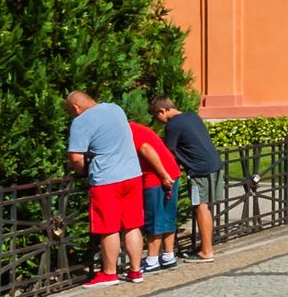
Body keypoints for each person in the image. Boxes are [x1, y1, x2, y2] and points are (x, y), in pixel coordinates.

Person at [65, 89, 147, 284]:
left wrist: (82, 171)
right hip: (132, 174)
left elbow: (76, 158)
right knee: (132, 224)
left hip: (107, 178)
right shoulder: (115, 108)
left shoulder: (81, 121)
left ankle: (109, 273)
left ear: (76, 107)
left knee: (108, 227)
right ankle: (135, 270)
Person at [156, 96, 224, 261]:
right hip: (214, 164)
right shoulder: (192, 116)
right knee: (206, 207)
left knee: (200, 207)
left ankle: (206, 251)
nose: (157, 120)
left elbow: (168, 152)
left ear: (161, 111)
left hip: (198, 170)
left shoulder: (173, 124)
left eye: (155, 115)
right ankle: (207, 247)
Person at [131, 112, 184, 270]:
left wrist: (163, 175)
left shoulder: (129, 131)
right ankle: (168, 256)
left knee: (154, 217)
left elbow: (146, 149)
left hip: (157, 176)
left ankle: (152, 260)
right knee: (168, 215)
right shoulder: (137, 128)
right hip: (171, 171)